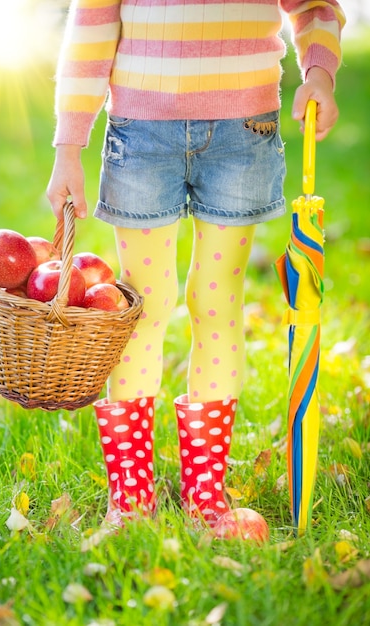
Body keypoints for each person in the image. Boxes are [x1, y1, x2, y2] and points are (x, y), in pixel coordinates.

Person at [47, 0, 345, 535]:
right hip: (142, 134)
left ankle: (205, 496)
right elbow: (92, 26)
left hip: (243, 134)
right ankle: (132, 498)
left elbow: (315, 7)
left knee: (216, 303)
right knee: (143, 305)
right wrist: (69, 146)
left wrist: (319, 73)